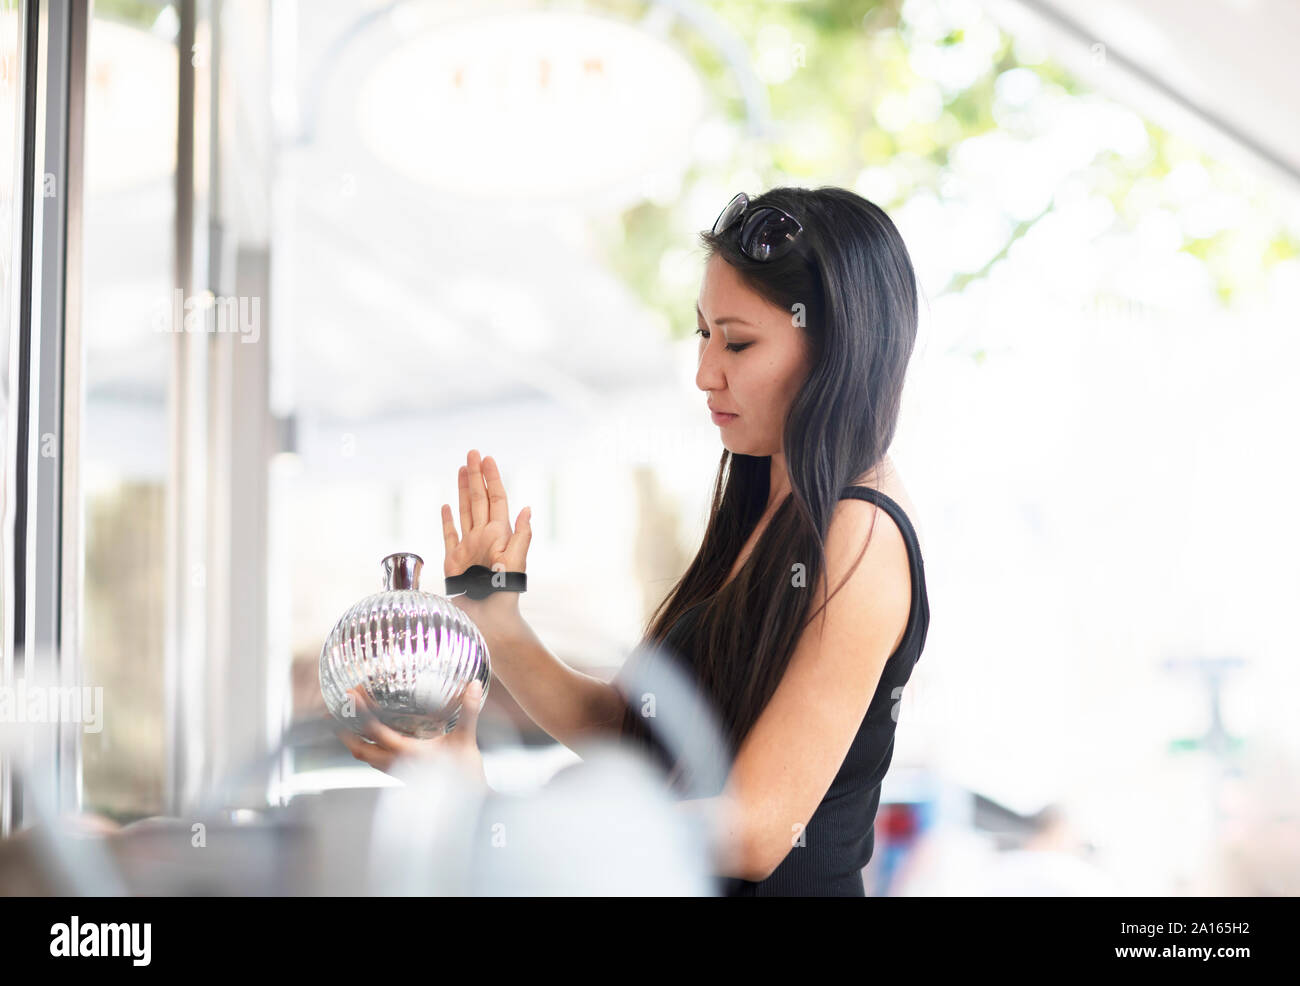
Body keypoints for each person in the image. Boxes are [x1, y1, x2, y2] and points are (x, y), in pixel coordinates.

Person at [341, 186, 931, 897]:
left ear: (837, 347)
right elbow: (632, 732)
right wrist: (496, 619)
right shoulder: (764, 505)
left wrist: (501, 818)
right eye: (703, 334)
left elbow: (754, 829)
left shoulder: (860, 533)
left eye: (738, 342)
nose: (706, 373)